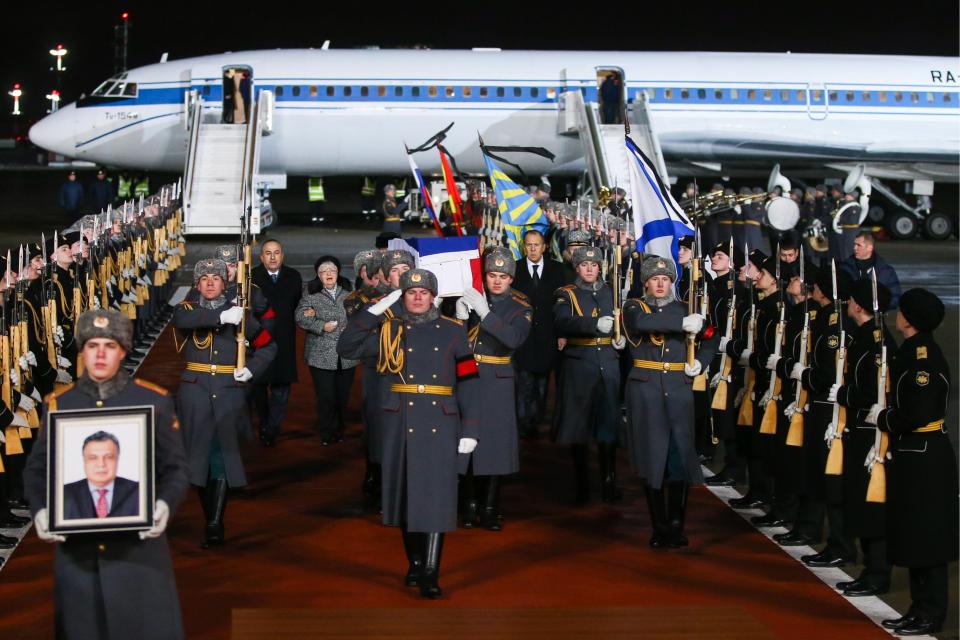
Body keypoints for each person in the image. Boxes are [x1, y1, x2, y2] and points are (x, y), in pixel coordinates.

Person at [24, 308, 189, 640]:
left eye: (109, 346)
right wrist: (41, 510)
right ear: (82, 350)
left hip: (138, 557)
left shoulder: (152, 401)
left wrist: (164, 505)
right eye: (92, 345)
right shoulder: (60, 404)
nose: (99, 354)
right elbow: (37, 471)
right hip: (79, 559)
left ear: (123, 350)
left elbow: (176, 470)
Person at [337, 268, 480, 599]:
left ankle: (431, 570)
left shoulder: (453, 331)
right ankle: (415, 562)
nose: (417, 297)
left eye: (423, 292)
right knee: (404, 495)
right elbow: (347, 345)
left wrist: (470, 428)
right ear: (401, 298)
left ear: (433, 297)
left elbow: (470, 381)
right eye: (410, 293)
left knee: (438, 496)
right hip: (400, 420)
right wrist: (373, 311)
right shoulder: (389, 331)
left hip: (441, 422)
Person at [173, 259, 277, 548]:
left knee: (221, 455)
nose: (209, 282)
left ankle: (215, 522)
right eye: (203, 278)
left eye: (215, 278)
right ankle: (211, 516)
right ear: (197, 284)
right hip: (195, 391)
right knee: (199, 458)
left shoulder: (241, 314)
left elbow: (269, 345)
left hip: (228, 390)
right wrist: (222, 316)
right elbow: (183, 321)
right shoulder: (188, 308)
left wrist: (252, 369)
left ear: (224, 283)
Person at [872, 289, 958, 636]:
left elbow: (918, 411)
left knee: (928, 539)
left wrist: (885, 419)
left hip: (924, 455)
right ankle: (919, 607)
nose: (898, 314)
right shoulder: (911, 351)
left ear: (911, 319)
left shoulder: (921, 359)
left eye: (903, 311)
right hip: (915, 454)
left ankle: (931, 612)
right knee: (915, 535)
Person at [622, 256, 717, 547]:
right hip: (646, 390)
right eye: (655, 279)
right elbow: (642, 322)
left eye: (665, 279)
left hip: (678, 388)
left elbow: (711, 336)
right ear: (646, 283)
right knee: (653, 458)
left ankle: (676, 523)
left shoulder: (687, 309)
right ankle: (658, 524)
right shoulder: (634, 306)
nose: (660, 283)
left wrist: (700, 362)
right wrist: (683, 322)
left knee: (679, 455)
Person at [828, 278, 895, 598]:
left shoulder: (874, 341)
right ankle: (871, 568)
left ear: (858, 305)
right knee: (860, 502)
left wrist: (845, 394)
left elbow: (872, 392)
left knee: (871, 506)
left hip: (871, 432)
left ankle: (877, 572)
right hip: (862, 429)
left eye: (851, 299)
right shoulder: (866, 337)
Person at [456, 247, 531, 529]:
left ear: (511, 279)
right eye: (492, 275)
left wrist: (485, 313)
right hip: (469, 377)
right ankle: (469, 504)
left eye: (503, 276)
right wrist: (461, 317)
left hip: (497, 379)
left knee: (495, 446)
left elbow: (513, 338)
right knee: (467, 444)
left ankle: (489, 506)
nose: (497, 281)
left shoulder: (521, 307)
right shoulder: (470, 297)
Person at [552, 246, 624, 505]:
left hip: (608, 361)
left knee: (608, 426)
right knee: (578, 427)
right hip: (579, 364)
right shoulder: (566, 293)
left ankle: (609, 481)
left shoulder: (611, 292)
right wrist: (592, 325)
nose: (590, 269)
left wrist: (621, 338)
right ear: (577, 268)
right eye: (585, 265)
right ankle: (582, 484)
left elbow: (624, 322)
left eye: (594, 265)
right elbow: (561, 321)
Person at [343, 250, 392, 500]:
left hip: (398, 370)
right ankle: (373, 471)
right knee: (373, 425)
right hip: (375, 367)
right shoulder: (358, 300)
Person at [296, 256, 358, 445]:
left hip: (347, 354)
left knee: (342, 396)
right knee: (326, 396)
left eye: (332, 270)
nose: (328, 274)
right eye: (324, 271)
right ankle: (327, 431)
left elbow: (360, 316)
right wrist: (322, 325)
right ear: (318, 275)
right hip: (320, 354)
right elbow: (300, 317)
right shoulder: (311, 294)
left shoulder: (350, 292)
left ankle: (339, 429)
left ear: (338, 273)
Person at [511, 229, 566, 439]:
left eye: (536, 245)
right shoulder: (515, 269)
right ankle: (526, 422)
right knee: (525, 381)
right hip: (523, 336)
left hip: (547, 336)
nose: (533, 249)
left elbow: (562, 305)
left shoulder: (557, 270)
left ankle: (539, 417)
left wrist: (561, 334)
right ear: (524, 247)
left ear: (544, 247)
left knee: (543, 383)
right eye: (529, 245)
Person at [251, 239, 302, 447]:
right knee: (258, 387)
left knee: (282, 387)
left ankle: (272, 426)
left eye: (277, 253)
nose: (272, 257)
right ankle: (264, 421)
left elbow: (298, 305)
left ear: (283, 255)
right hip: (258, 339)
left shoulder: (293, 277)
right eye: (268, 253)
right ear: (261, 257)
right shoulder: (252, 276)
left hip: (284, 339)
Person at [62, 431, 139, 519]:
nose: (101, 464)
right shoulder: (64, 494)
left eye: (109, 457)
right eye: (93, 458)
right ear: (84, 461)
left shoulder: (138, 491)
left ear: (117, 459)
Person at [839, 231, 901, 308]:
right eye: (854, 244)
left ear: (870, 248)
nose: (855, 248)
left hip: (875, 316)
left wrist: (875, 307)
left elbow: (895, 298)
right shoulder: (845, 268)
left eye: (859, 245)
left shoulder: (886, 271)